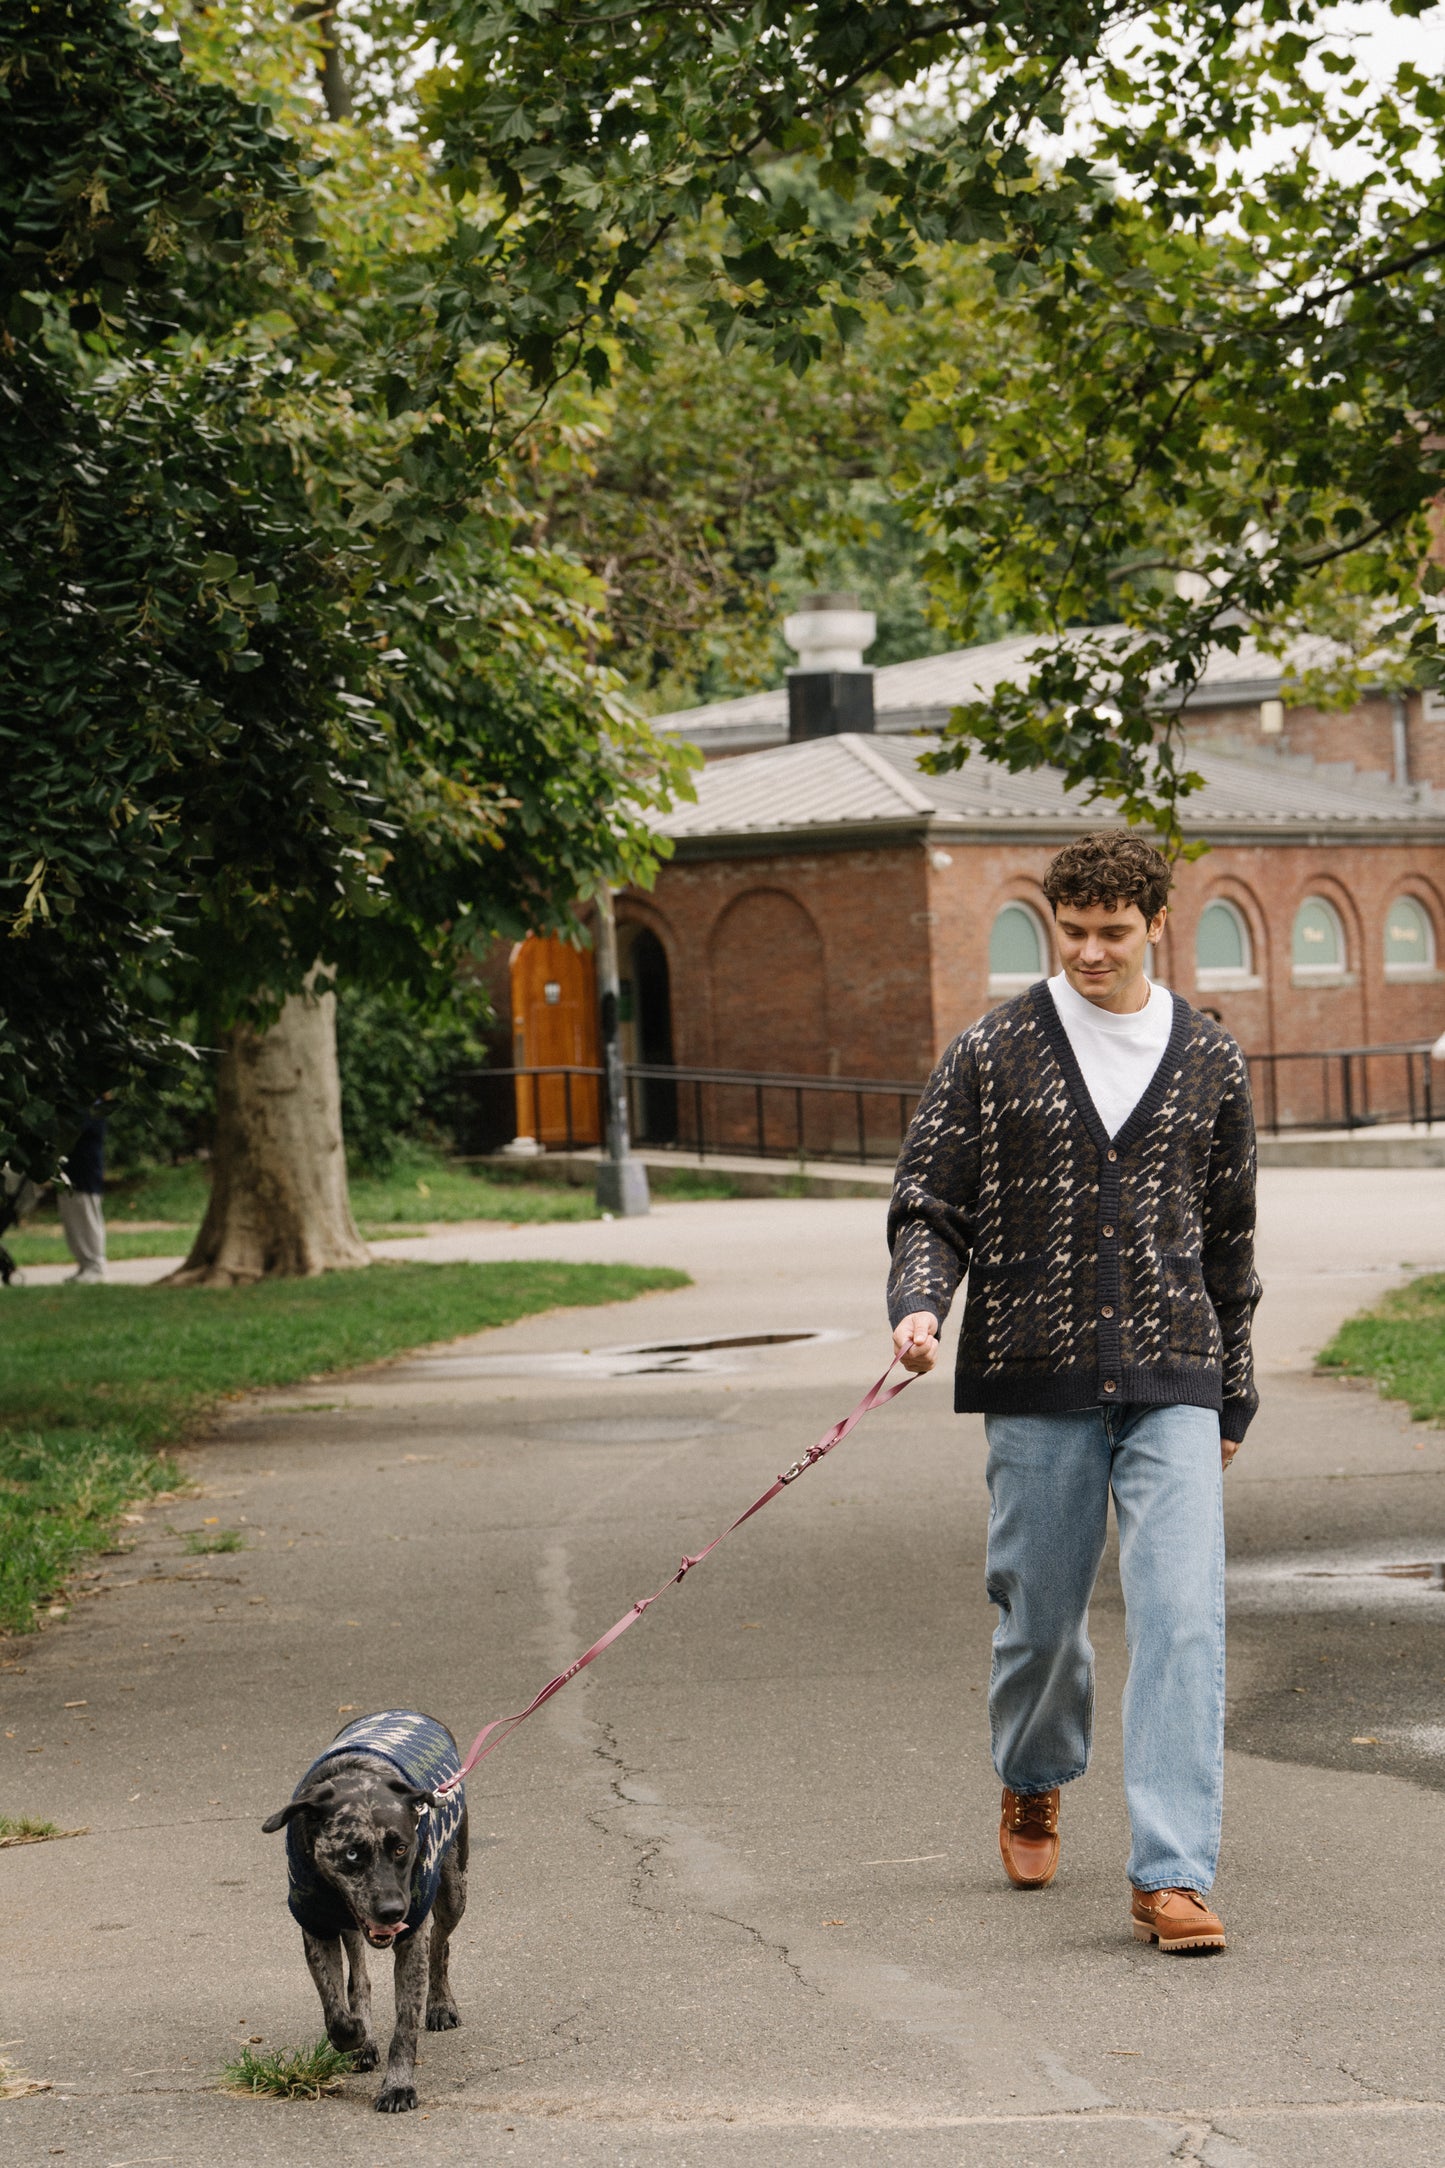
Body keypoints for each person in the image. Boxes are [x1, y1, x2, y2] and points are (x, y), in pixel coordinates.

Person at [886, 832, 1259, 1953]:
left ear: (1155, 923)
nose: (1089, 951)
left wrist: (1230, 1395)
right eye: (1072, 931)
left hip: (1173, 1372)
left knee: (1182, 1616)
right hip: (1036, 1371)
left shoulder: (1206, 1056)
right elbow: (927, 1199)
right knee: (1040, 1619)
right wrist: (919, 1300)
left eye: (1111, 931)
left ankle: (1170, 1872)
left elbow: (1229, 1239)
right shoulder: (991, 1050)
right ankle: (1034, 1770)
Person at [58, 1109, 110, 1285]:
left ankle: (95, 1266)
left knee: (87, 1220)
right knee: (74, 1224)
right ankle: (84, 1265)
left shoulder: (92, 1110)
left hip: (85, 1174)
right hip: (71, 1173)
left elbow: (73, 1130)